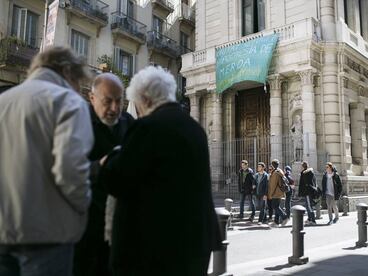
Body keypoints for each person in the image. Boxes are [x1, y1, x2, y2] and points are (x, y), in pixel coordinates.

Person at [100, 66, 221, 275]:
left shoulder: (149, 127)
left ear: (145, 100)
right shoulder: (195, 128)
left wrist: (106, 162)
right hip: (197, 242)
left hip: (159, 246)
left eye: (137, 105)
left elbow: (118, 180)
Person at [0, 47, 94, 276]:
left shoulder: (3, 100)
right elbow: (70, 170)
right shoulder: (68, 101)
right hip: (49, 236)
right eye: (79, 82)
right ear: (66, 71)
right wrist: (83, 205)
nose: (78, 89)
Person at [73, 73, 135, 276]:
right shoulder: (77, 123)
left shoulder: (129, 123)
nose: (115, 108)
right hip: (86, 226)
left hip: (122, 226)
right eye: (108, 101)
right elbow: (66, 170)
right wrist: (98, 166)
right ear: (92, 98)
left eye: (119, 101)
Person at [267, 159, 290, 227]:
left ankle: (285, 217)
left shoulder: (275, 173)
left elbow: (273, 185)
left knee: (275, 206)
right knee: (277, 206)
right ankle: (276, 222)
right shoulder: (280, 171)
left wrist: (270, 194)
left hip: (276, 192)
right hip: (280, 192)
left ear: (273, 165)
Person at [298, 161, 317, 225]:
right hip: (309, 192)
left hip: (308, 192)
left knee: (309, 206)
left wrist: (302, 192)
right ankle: (309, 219)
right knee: (308, 205)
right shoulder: (310, 172)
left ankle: (313, 220)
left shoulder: (305, 173)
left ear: (303, 167)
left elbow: (304, 184)